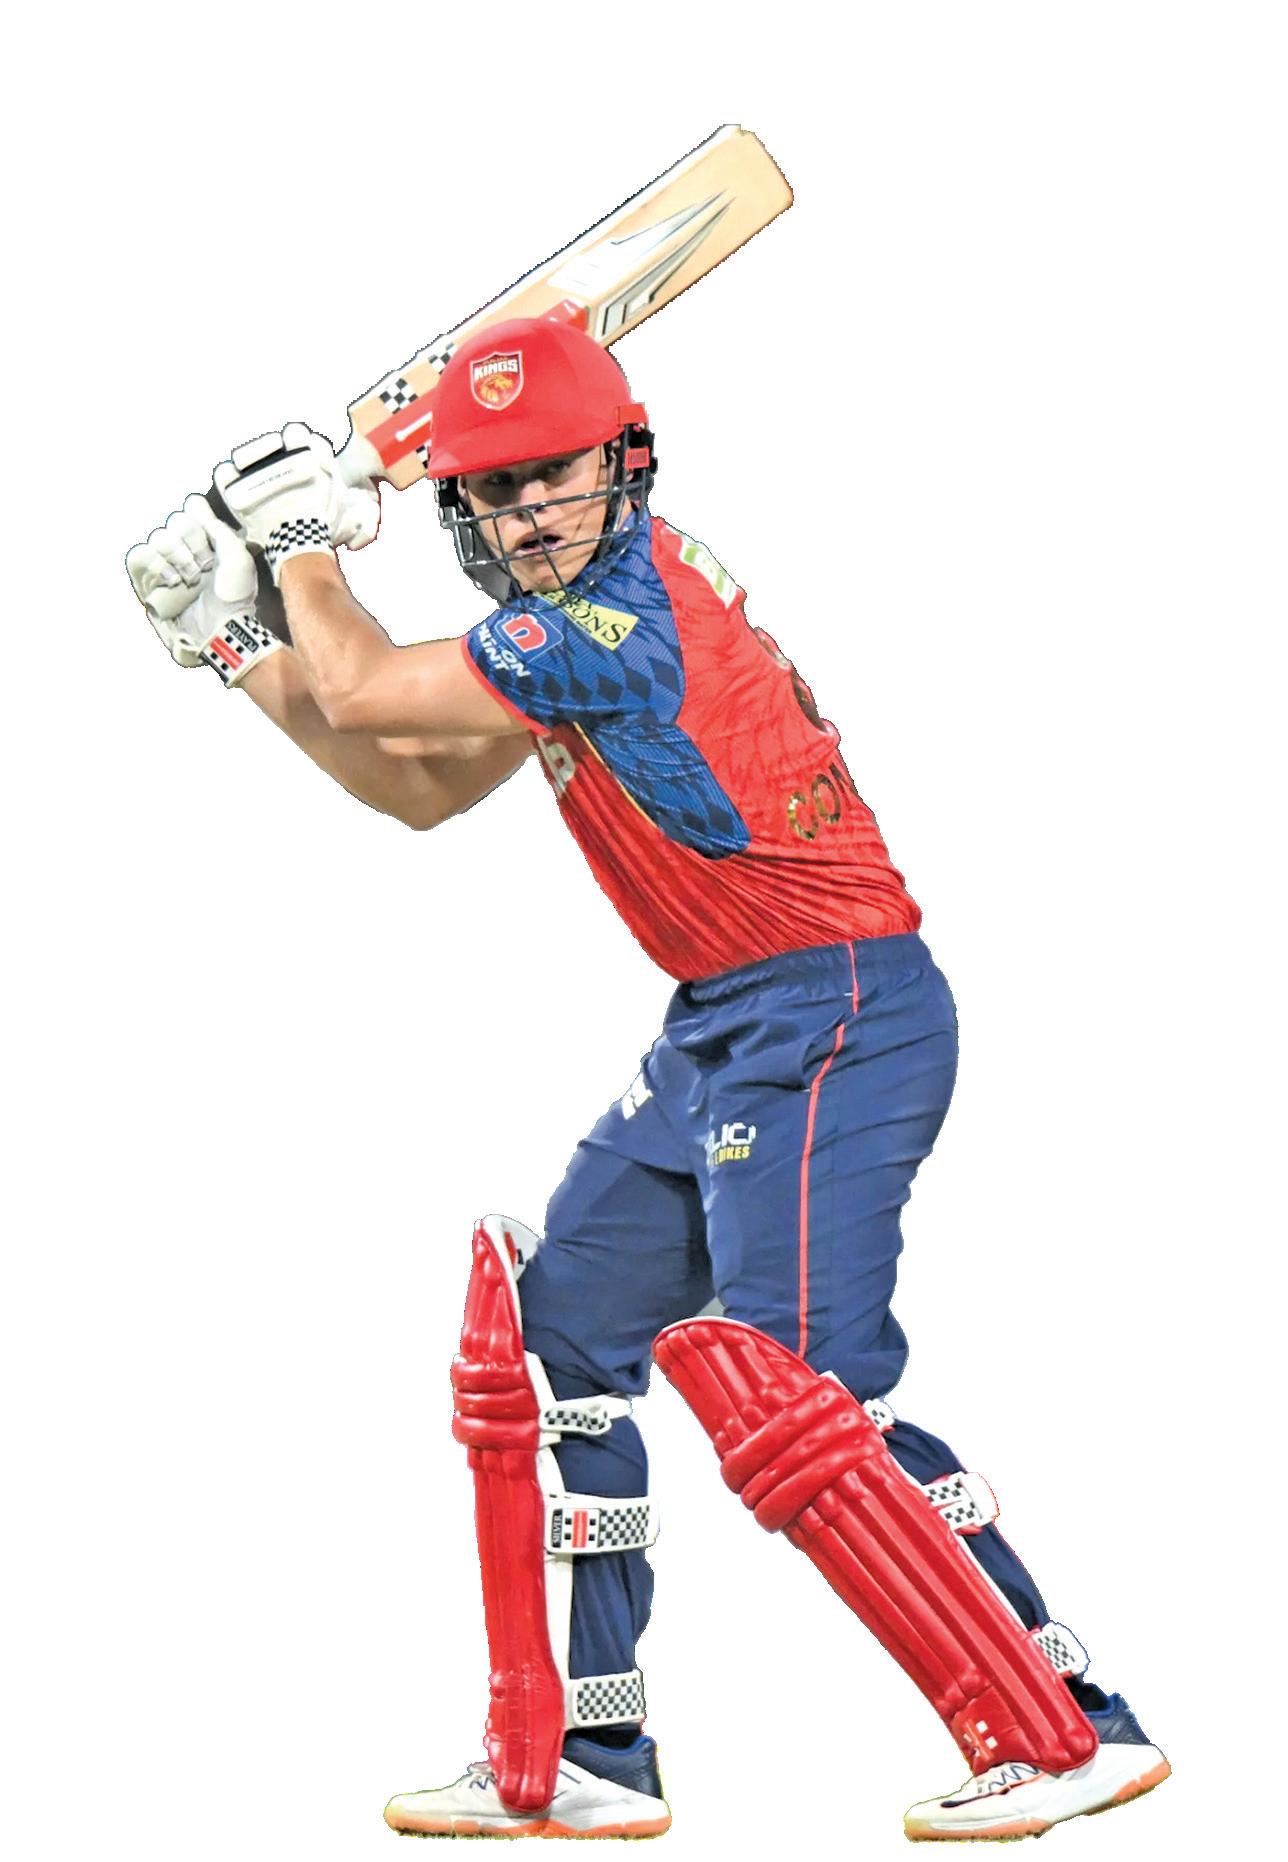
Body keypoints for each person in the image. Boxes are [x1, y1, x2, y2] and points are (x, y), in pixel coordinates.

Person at [125, 316, 1169, 1842]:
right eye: (496, 490)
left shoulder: (617, 623)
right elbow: (412, 782)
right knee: (558, 1346)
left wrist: (296, 551)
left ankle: (1073, 1721)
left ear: (624, 464)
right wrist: (241, 646)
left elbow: (362, 689)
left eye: (553, 476)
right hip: (722, 1024)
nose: (529, 512)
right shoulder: (552, 633)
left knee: (800, 1390)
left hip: (838, 1011)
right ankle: (592, 1755)